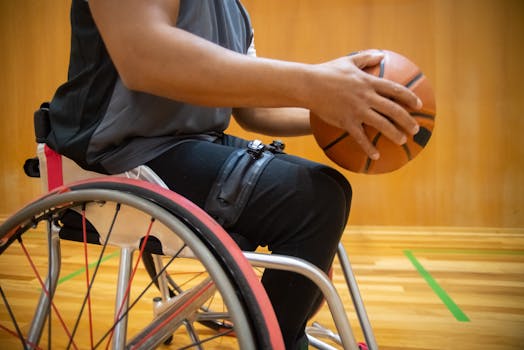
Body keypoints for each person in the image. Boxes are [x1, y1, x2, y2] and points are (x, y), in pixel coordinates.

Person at [46, 0, 421, 348]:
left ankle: (275, 329)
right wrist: (314, 83)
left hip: (185, 145)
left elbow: (254, 112)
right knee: (309, 203)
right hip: (113, 153)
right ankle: (277, 337)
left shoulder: (234, 9)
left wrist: (343, 113)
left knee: (329, 188)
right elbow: (145, 56)